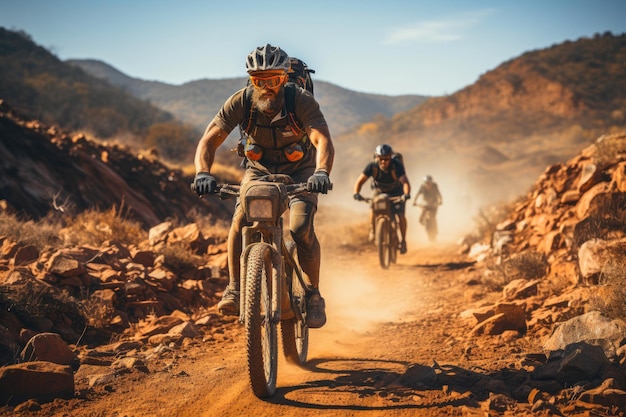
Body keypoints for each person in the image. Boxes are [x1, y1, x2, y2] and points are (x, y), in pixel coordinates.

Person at [192, 44, 334, 329]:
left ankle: (313, 293)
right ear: (251, 80)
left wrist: (320, 171)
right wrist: (202, 173)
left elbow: (321, 139)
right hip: (259, 171)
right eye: (259, 80)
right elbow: (210, 139)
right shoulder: (242, 101)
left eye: (273, 80)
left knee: (300, 229)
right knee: (239, 222)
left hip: (301, 172)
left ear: (284, 78)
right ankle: (234, 287)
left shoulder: (300, 101)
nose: (267, 87)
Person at [353, 144, 411, 254]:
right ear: (376, 157)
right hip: (379, 191)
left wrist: (406, 194)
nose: (383, 162)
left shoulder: (396, 166)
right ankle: (373, 231)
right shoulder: (372, 166)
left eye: (386, 159)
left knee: (401, 215)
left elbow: (405, 182)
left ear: (390, 157)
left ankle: (403, 241)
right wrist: (356, 193)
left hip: (397, 192)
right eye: (381, 159)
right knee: (373, 209)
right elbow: (360, 181)